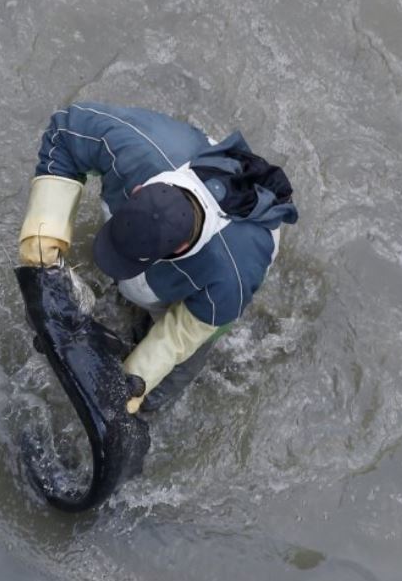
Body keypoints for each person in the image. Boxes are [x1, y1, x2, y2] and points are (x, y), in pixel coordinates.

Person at [19, 102, 298, 413]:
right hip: (176, 157)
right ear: (138, 189)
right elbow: (64, 131)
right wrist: (44, 232)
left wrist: (137, 379)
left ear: (175, 253)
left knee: (147, 395)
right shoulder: (132, 147)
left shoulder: (230, 279)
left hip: (222, 275)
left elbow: (179, 337)